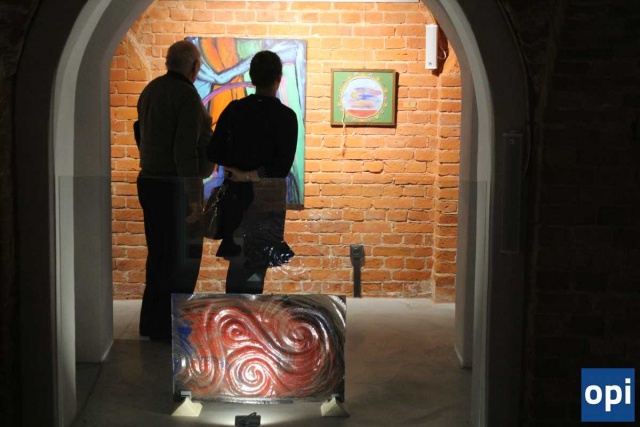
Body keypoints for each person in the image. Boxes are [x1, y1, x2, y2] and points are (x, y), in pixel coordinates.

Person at [135, 40, 213, 340]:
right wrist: (194, 198)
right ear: (194, 67)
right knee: (184, 259)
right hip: (175, 187)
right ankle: (173, 325)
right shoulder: (186, 96)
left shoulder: (151, 90)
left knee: (158, 256)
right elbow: (185, 152)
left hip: (150, 182)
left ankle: (152, 323)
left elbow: (141, 134)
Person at [207, 50, 298, 294]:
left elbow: (214, 152)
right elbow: (281, 168)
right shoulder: (286, 117)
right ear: (278, 78)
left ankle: (237, 313)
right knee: (256, 267)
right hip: (267, 200)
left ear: (252, 77)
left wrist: (239, 172)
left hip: (236, 197)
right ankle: (245, 313)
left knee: (238, 264)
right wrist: (253, 175)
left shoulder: (234, 110)